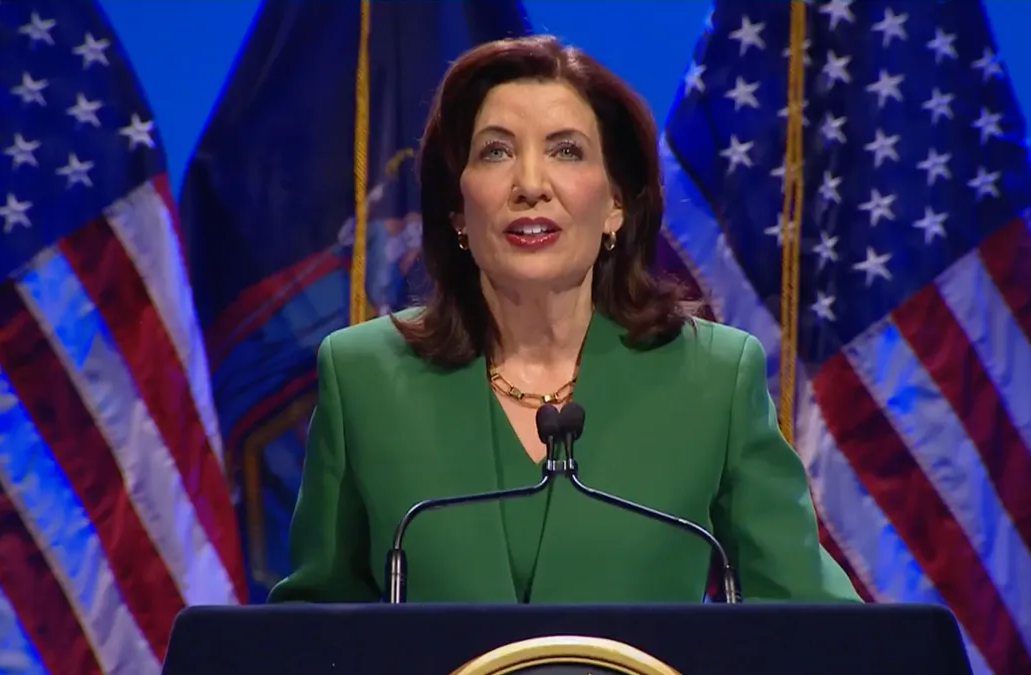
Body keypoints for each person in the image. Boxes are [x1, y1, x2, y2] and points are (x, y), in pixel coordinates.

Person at [268, 34, 861, 604]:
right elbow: (318, 628)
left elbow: (806, 617)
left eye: (566, 150)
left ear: (615, 205)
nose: (530, 185)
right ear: (456, 208)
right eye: (496, 151)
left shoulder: (713, 376)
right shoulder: (364, 376)